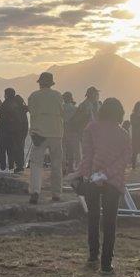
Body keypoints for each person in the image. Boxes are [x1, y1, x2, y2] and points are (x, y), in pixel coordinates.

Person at [76, 97, 131, 276]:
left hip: (93, 180)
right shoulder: (123, 134)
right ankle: (106, 265)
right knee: (110, 223)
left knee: (93, 218)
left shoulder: (91, 128)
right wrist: (107, 173)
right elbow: (124, 160)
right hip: (113, 182)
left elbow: (87, 156)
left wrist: (89, 175)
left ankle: (93, 256)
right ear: (120, 113)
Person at [27, 71, 64, 204]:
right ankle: (56, 194)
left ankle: (35, 192)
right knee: (56, 164)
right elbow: (62, 112)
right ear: (51, 83)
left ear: (40, 83)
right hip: (56, 133)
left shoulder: (33, 96)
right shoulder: (58, 95)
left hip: (39, 134)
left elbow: (31, 111)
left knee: (36, 164)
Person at [62, 91, 80, 174]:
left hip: (62, 130)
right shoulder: (75, 108)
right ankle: (72, 168)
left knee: (63, 150)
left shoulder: (61, 107)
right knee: (73, 150)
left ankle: (63, 168)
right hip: (73, 131)